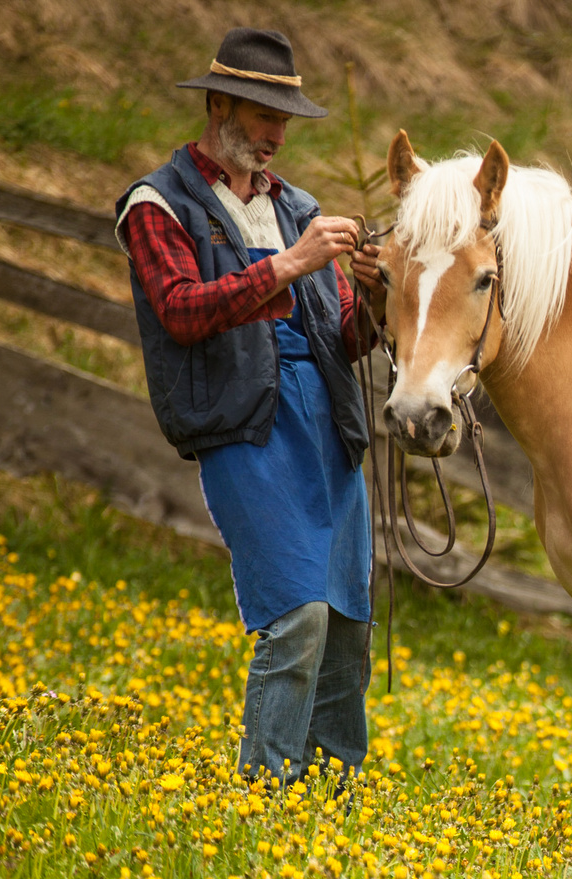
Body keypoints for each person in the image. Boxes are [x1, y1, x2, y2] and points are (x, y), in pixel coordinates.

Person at [114, 27, 388, 789]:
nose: (275, 135)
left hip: (325, 426)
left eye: (284, 120)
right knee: (296, 615)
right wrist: (292, 262)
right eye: (263, 114)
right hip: (243, 427)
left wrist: (371, 298)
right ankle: (268, 798)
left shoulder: (298, 205)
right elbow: (181, 310)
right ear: (218, 104)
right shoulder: (156, 204)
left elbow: (343, 335)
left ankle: (332, 802)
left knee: (346, 627)